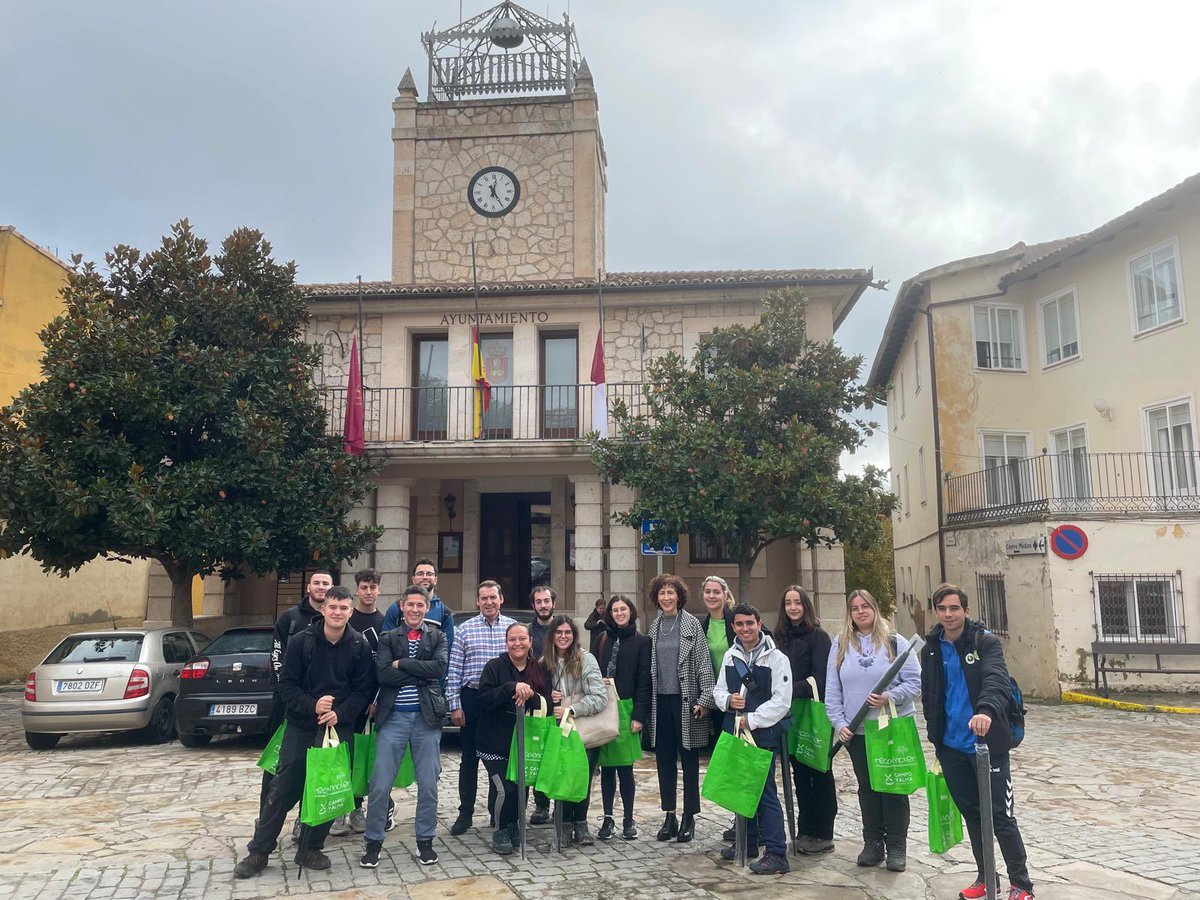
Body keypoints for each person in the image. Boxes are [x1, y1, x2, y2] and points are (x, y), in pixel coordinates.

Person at [234, 587, 374, 878]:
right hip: (301, 726)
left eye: (343, 608)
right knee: (283, 790)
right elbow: (286, 685)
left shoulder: (359, 646)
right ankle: (259, 851)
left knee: (328, 788)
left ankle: (311, 847)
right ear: (323, 609)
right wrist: (313, 706)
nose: (338, 612)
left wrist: (340, 713)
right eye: (333, 607)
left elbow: (363, 691)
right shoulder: (300, 643)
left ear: (351, 611)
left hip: (338, 728)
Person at [923, 584, 1034, 900]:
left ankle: (1021, 884)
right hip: (951, 746)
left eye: (954, 608)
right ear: (936, 612)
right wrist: (936, 736)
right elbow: (930, 695)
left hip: (987, 746)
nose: (948, 614)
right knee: (973, 813)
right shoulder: (930, 648)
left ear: (966, 611)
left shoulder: (985, 642)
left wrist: (985, 710)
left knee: (1000, 816)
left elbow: (996, 679)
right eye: (942, 608)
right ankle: (987, 878)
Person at [825, 589, 921, 873]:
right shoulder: (840, 644)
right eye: (854, 608)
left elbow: (914, 682)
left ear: (875, 609)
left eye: (865, 606)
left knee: (892, 787)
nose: (860, 612)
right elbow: (833, 690)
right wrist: (839, 723)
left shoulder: (895, 641)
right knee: (867, 788)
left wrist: (889, 697)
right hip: (857, 733)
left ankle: (897, 846)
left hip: (888, 729)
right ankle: (873, 843)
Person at [360, 584, 448, 869]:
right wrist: (417, 672)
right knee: (380, 783)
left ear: (426, 608)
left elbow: (439, 669)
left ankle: (425, 841)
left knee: (428, 784)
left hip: (426, 719)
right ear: (401, 607)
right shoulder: (387, 637)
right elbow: (383, 675)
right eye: (410, 605)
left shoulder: (438, 635)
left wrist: (403, 663)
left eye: (420, 605)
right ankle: (373, 842)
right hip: (393, 717)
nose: (414, 610)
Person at [710, 603, 792, 875]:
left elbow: (782, 702)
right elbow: (718, 690)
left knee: (765, 791)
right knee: (740, 788)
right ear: (733, 627)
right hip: (735, 731)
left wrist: (752, 719)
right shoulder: (731, 656)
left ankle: (777, 851)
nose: (745, 629)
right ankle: (748, 842)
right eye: (740, 624)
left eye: (750, 623)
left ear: (759, 623)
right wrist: (727, 700)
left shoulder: (776, 658)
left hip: (762, 733)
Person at [646, 574, 713, 844]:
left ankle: (689, 816)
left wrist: (705, 699)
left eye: (670, 593)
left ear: (679, 596)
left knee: (689, 762)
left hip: (687, 702)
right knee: (664, 762)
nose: (666, 598)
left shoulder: (692, 624)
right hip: (660, 702)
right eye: (662, 593)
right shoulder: (654, 626)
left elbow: (703, 664)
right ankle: (669, 815)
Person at [446, 580, 516, 835]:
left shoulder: (511, 628)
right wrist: (455, 706)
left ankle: (496, 812)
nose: (488, 602)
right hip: (473, 699)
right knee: (469, 758)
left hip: (502, 703)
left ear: (501, 600)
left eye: (493, 598)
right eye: (484, 598)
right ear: (477, 601)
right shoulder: (464, 630)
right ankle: (465, 814)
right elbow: (454, 670)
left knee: (499, 758)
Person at [260, 571, 331, 822]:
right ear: (309, 587)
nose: (321, 587)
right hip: (287, 703)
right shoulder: (290, 618)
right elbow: (276, 657)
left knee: (314, 764)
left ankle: (305, 820)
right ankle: (266, 816)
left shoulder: (335, 619)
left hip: (320, 708)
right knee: (277, 763)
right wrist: (289, 696)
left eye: (326, 583)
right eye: (317, 583)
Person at [476, 623, 552, 856]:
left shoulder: (539, 669)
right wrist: (511, 688)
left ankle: (513, 824)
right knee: (506, 789)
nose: (517, 644)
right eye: (512, 640)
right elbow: (485, 699)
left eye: (522, 639)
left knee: (521, 787)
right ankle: (500, 829)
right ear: (506, 642)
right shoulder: (494, 666)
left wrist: (533, 695)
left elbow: (546, 701)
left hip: (525, 741)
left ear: (530, 641)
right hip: (494, 743)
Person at [775, 585, 837, 854]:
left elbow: (821, 679)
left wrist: (787, 689)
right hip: (789, 714)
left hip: (813, 713)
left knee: (819, 772)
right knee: (799, 772)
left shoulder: (819, 637)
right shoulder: (780, 638)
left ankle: (823, 833)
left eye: (797, 603)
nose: (793, 608)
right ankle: (805, 829)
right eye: (788, 603)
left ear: (806, 606)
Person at [540, 614, 608, 846]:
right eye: (559, 632)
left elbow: (599, 697)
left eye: (568, 632)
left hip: (584, 730)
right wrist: (549, 697)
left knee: (582, 778)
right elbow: (537, 695)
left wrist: (571, 708)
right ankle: (563, 824)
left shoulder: (585, 659)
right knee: (561, 776)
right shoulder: (544, 663)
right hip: (558, 731)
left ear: (574, 635)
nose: (563, 636)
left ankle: (581, 823)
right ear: (551, 636)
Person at [332, 568, 387, 837]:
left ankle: (356, 807)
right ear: (357, 590)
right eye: (364, 587)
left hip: (369, 705)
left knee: (360, 758)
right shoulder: (346, 620)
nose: (368, 592)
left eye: (372, 587)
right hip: (342, 703)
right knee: (338, 755)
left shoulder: (385, 621)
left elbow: (383, 666)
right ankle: (337, 809)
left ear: (379, 590)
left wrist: (375, 700)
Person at [595, 593, 651, 841]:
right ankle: (608, 818)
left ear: (631, 612)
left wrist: (639, 715)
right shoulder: (601, 639)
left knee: (625, 768)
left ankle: (628, 818)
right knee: (607, 768)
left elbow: (644, 680)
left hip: (628, 709)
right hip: (605, 709)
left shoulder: (642, 641)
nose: (619, 613)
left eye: (623, 609)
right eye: (615, 610)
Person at [527, 584, 558, 825]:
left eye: (546, 601)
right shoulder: (527, 631)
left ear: (553, 603)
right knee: (538, 754)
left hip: (560, 701)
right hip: (536, 702)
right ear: (534, 605)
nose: (543, 605)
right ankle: (541, 805)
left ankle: (561, 803)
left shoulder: (563, 629)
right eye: (539, 602)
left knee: (558, 753)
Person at [697, 575, 736, 750]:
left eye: (716, 592)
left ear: (725, 595)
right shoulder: (700, 626)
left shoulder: (736, 621)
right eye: (708, 592)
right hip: (714, 695)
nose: (711, 596)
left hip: (735, 694)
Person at [383, 558, 455, 651]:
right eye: (420, 574)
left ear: (436, 579)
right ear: (413, 579)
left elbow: (446, 651)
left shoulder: (445, 613)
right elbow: (386, 645)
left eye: (429, 574)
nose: (425, 577)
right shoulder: (396, 609)